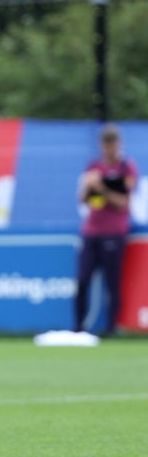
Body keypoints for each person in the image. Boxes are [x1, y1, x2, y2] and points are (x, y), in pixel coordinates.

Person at [75, 123, 138, 336]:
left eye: (112, 145)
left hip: (115, 231)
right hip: (91, 231)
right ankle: (78, 329)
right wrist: (88, 187)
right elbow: (82, 199)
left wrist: (102, 187)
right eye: (105, 145)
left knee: (112, 283)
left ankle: (111, 330)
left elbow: (122, 202)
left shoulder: (126, 168)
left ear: (118, 144)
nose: (108, 149)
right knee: (82, 280)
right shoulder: (94, 167)